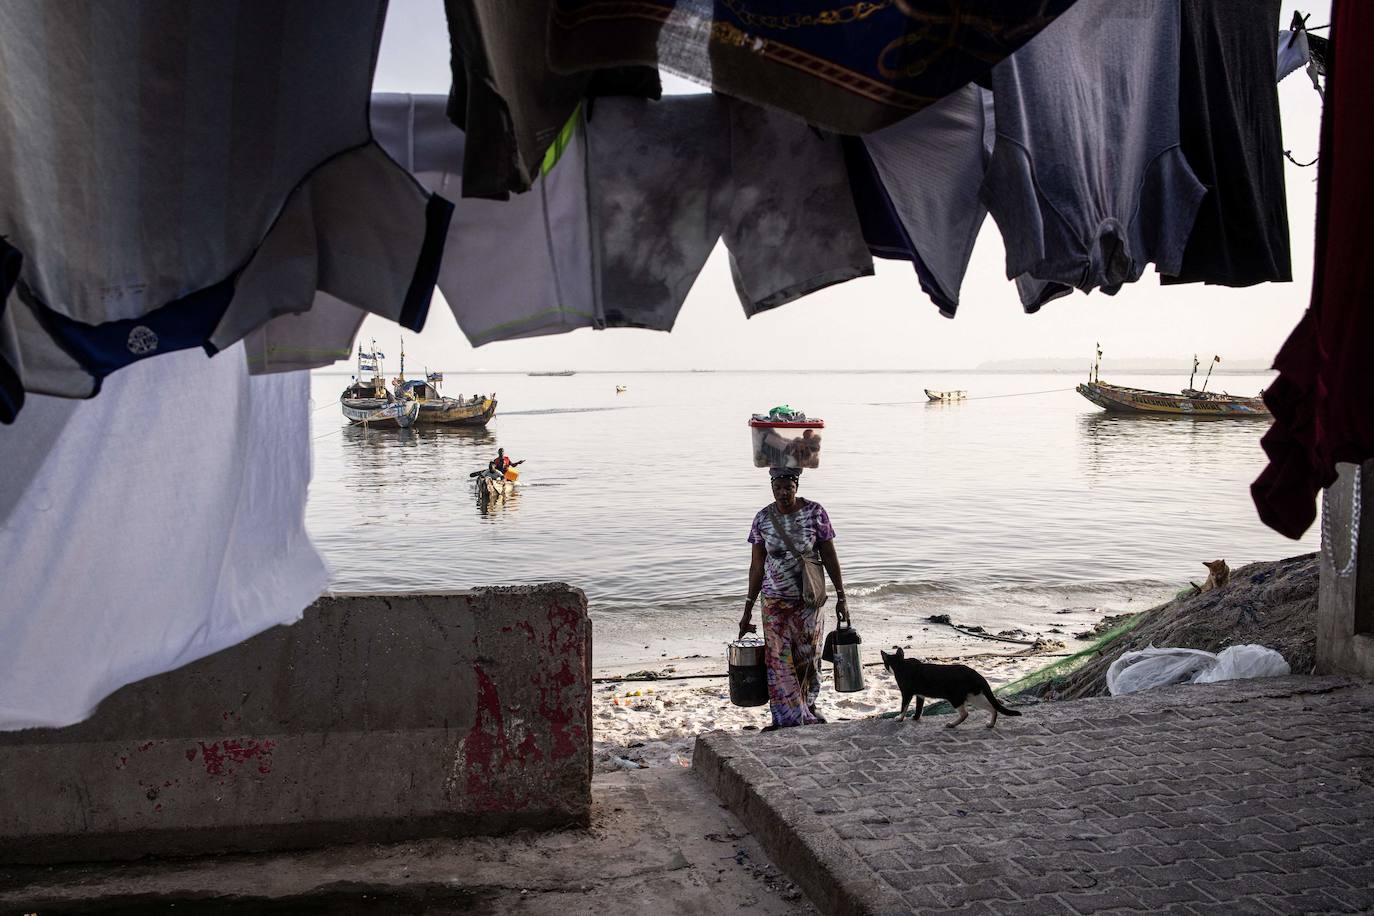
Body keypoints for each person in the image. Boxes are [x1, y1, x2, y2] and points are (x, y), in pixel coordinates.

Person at [739, 466, 849, 729]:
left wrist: (842, 596)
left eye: (788, 487)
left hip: (808, 602)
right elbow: (756, 566)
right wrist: (747, 608)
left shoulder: (815, 512)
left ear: (796, 487)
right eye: (778, 488)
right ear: (772, 488)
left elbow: (830, 556)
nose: (783, 493)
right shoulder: (763, 518)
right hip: (774, 601)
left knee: (808, 658)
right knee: (777, 660)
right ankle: (785, 718)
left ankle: (808, 707)